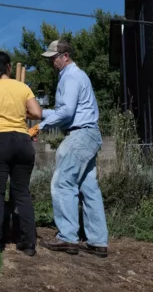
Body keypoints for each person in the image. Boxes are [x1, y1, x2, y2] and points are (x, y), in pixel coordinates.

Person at [37, 39, 108, 257]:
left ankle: (68, 237)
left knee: (63, 182)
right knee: (88, 187)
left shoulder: (71, 77)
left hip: (79, 134)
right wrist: (39, 112)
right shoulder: (76, 76)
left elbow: (67, 113)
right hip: (89, 133)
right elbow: (68, 110)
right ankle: (98, 241)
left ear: (65, 56)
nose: (52, 62)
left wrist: (39, 126)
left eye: (54, 58)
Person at [0, 50, 43, 255]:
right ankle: (28, 243)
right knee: (22, 193)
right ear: (9, 68)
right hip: (22, 141)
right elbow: (37, 113)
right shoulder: (22, 87)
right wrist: (22, 113)